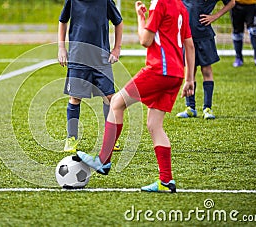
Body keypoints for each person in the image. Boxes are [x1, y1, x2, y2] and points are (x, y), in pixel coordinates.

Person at [77, 0, 195, 193]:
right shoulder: (181, 6)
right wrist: (189, 78)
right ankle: (166, 181)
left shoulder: (159, 3)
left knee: (116, 103)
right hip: (176, 74)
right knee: (154, 125)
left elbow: (145, 40)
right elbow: (189, 45)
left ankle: (103, 160)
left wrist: (141, 19)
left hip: (159, 70)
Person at [58, 0, 124, 152]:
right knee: (75, 98)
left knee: (109, 98)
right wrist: (61, 47)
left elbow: (118, 22)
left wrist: (116, 49)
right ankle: (71, 138)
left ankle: (112, 137)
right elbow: (62, 21)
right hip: (77, 57)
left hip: (101, 59)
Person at [176, 0, 235, 119]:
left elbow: (232, 2)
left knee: (207, 71)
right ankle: (190, 108)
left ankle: (207, 108)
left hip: (204, 36)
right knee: (190, 71)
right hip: (187, 37)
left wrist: (214, 16)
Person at [230, 0, 256, 67]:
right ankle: (238, 58)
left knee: (254, 31)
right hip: (236, 5)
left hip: (251, 5)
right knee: (237, 32)